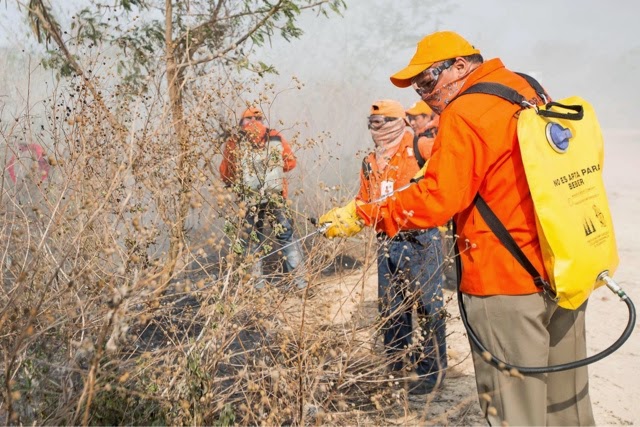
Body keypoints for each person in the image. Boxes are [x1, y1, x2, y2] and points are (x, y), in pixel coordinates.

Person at [326, 31, 594, 426]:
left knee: (516, 412)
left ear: (461, 65)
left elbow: (437, 198)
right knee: (566, 408)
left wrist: (366, 213)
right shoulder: (526, 89)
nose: (426, 93)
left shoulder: (466, 111)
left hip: (504, 282)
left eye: (429, 80)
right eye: (418, 86)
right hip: (563, 266)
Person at [319, 100, 447, 395]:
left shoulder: (420, 148)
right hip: (388, 241)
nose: (377, 129)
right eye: (372, 123)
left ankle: (431, 375)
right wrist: (342, 219)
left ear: (399, 121)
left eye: (383, 122)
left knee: (428, 308)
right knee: (392, 309)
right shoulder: (370, 162)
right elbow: (364, 202)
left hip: (422, 239)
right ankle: (396, 370)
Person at [220, 107, 307, 290]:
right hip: (275, 196)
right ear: (261, 120)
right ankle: (301, 284)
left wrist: (237, 181)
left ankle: (256, 288)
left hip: (249, 199)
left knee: (252, 242)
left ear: (243, 121)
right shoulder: (275, 135)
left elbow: (226, 173)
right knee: (287, 238)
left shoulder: (235, 141)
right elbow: (290, 162)